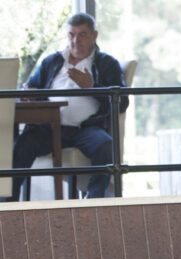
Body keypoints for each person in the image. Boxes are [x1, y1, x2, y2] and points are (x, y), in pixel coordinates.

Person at [9, 12, 128, 201]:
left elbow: (122, 103)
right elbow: (29, 89)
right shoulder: (52, 61)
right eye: (71, 35)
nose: (75, 41)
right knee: (22, 144)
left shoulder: (107, 64)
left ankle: (94, 202)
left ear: (94, 36)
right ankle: (7, 206)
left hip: (86, 130)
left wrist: (91, 87)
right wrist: (27, 96)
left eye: (82, 35)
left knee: (106, 145)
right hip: (50, 129)